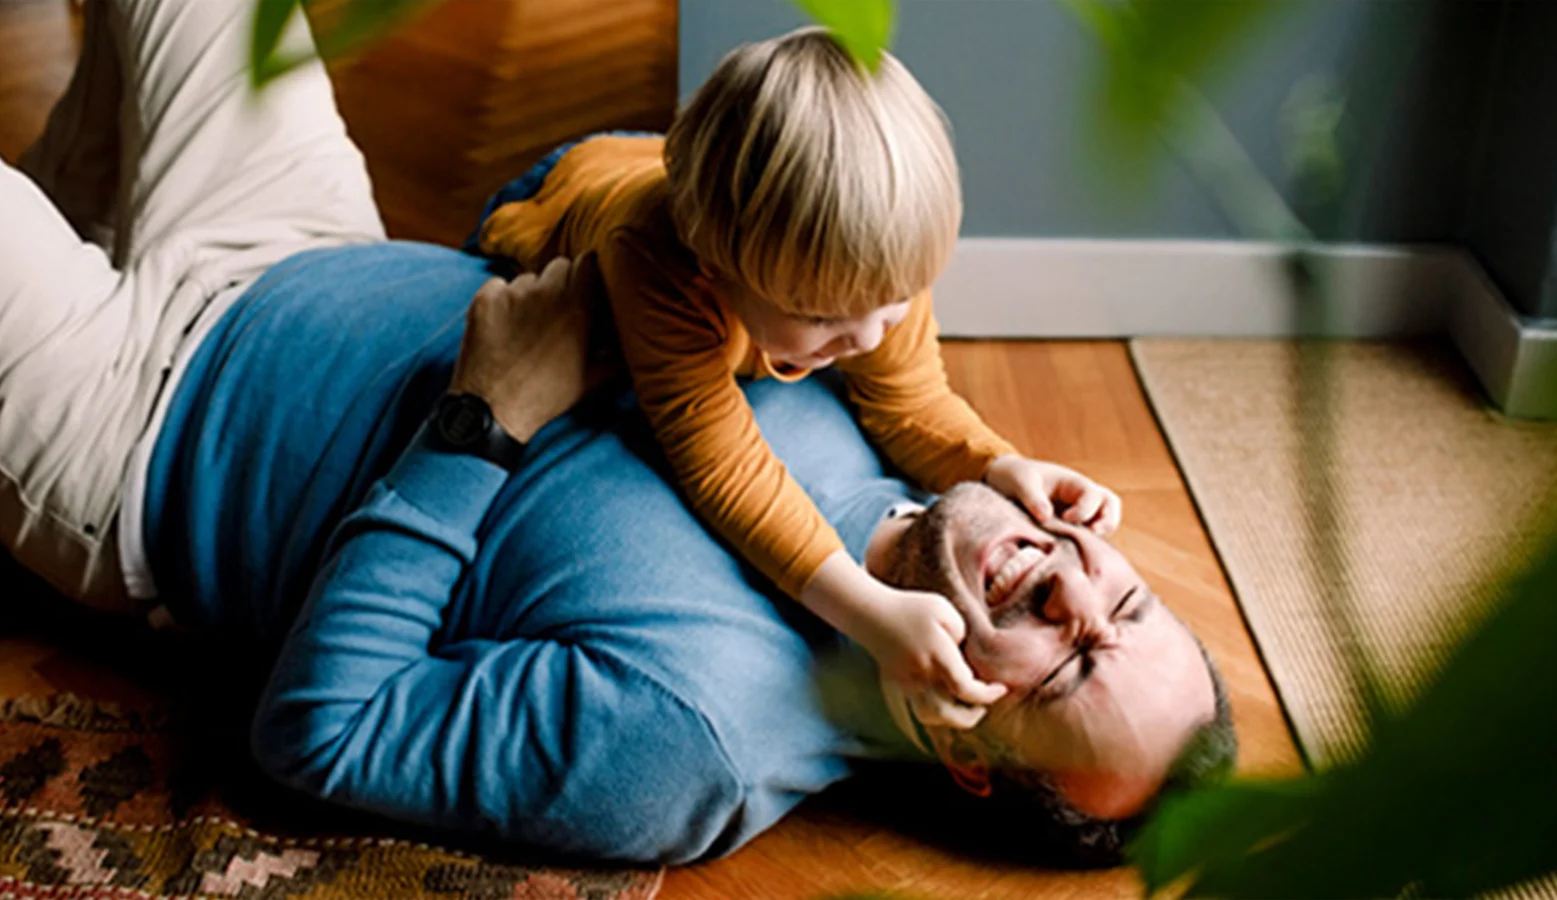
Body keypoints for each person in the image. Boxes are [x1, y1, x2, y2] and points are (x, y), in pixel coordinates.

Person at [0, 0, 1233, 866]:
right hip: (303, 239)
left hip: (138, 431)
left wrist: (482, 423)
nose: (1072, 592)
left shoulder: (687, 742)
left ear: (973, 754)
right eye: (1124, 606)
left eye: (1071, 666)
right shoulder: (890, 407)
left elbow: (321, 731)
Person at [474, 28, 1121, 729]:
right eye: (820, 317)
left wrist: (997, 462)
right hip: (575, 188)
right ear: (713, 269)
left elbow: (910, 403)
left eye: (894, 304)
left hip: (673, 166)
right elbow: (723, 468)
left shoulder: (871, 271)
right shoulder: (656, 265)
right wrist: (869, 613)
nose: (869, 336)